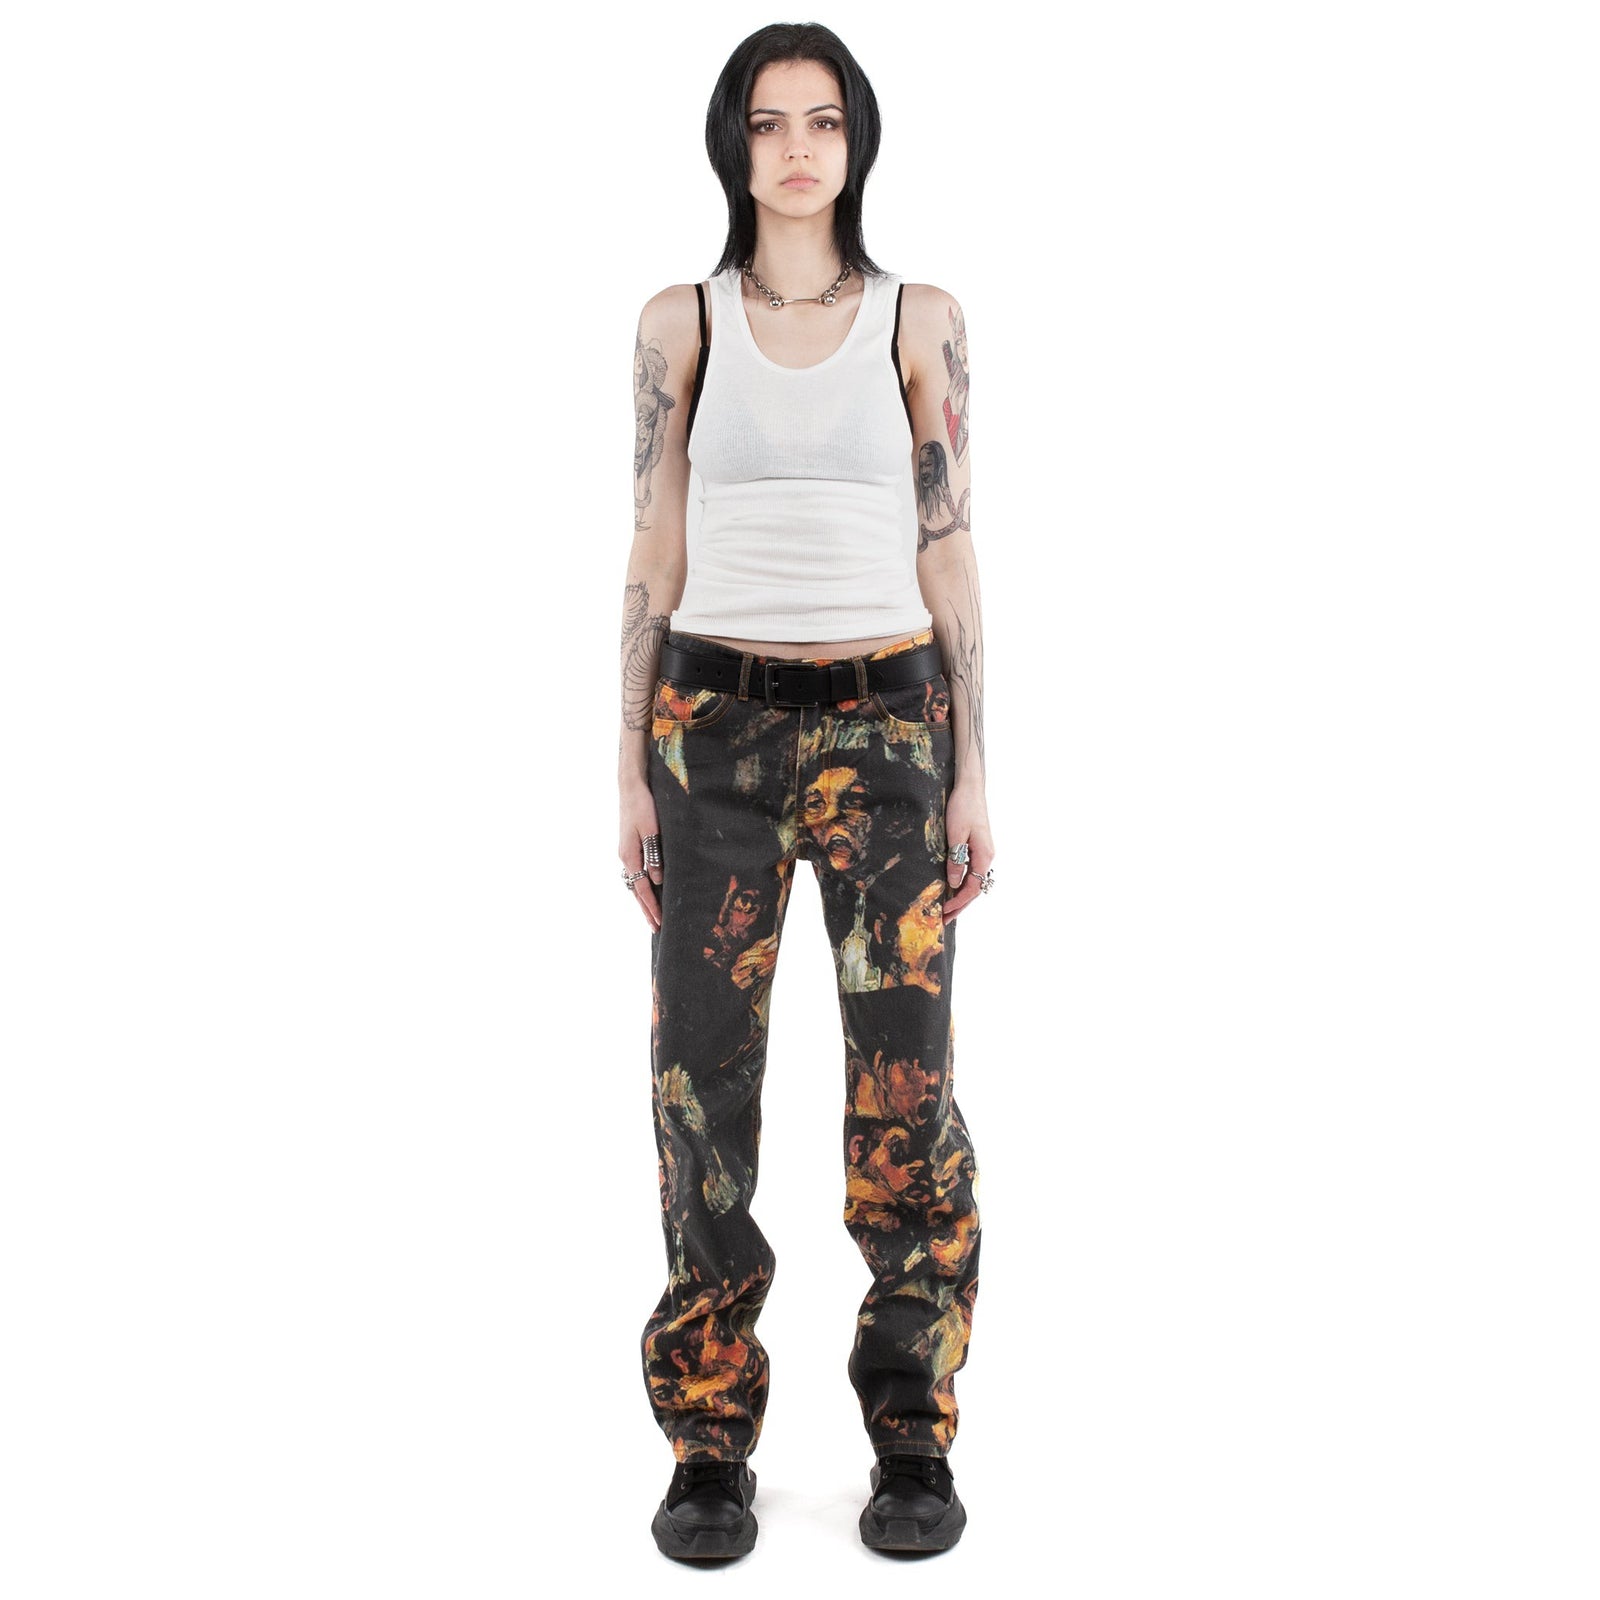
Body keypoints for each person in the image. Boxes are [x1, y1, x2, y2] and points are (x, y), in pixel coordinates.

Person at [617, 23, 995, 1562]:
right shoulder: (680, 325)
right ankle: (709, 1445)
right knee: (700, 1090)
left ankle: (913, 1434)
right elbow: (653, 542)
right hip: (709, 734)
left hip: (889, 736)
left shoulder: (920, 320)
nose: (795, 148)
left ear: (856, 142)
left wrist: (974, 768)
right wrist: (627, 766)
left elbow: (950, 540)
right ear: (735, 144)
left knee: (905, 1091)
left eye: (821, 121)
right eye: (768, 122)